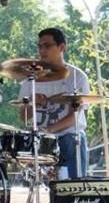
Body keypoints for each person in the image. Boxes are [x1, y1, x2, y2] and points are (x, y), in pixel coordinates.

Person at [16, 27, 90, 180]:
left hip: (67, 136)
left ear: (61, 47)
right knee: (1, 147)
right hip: (40, 140)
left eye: (47, 45)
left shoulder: (77, 77)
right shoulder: (30, 80)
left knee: (74, 139)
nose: (42, 50)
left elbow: (75, 117)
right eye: (40, 46)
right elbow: (23, 117)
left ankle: (78, 190)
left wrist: (49, 130)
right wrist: (32, 104)